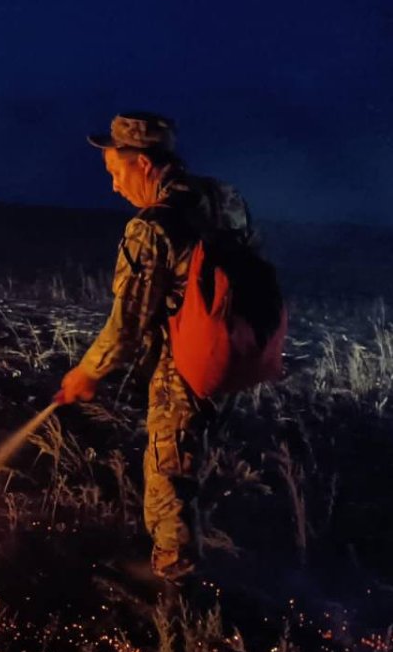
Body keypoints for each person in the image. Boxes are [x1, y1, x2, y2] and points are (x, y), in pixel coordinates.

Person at [57, 111, 257, 584]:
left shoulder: (151, 227)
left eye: (115, 172)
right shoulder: (222, 197)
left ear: (143, 164)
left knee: (167, 474)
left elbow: (127, 324)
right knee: (194, 461)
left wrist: (87, 373)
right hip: (234, 353)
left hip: (188, 361)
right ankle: (192, 556)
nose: (114, 187)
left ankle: (174, 586)